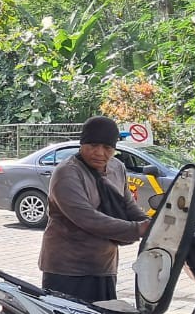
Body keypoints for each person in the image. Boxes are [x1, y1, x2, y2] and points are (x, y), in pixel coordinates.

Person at [39, 115, 150, 302]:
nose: (99, 153)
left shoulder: (117, 167)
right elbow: (88, 219)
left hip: (103, 267)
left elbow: (127, 206)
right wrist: (138, 229)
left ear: (114, 149)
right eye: (93, 145)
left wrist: (153, 225)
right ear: (82, 144)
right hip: (67, 270)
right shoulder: (67, 173)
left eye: (107, 148)